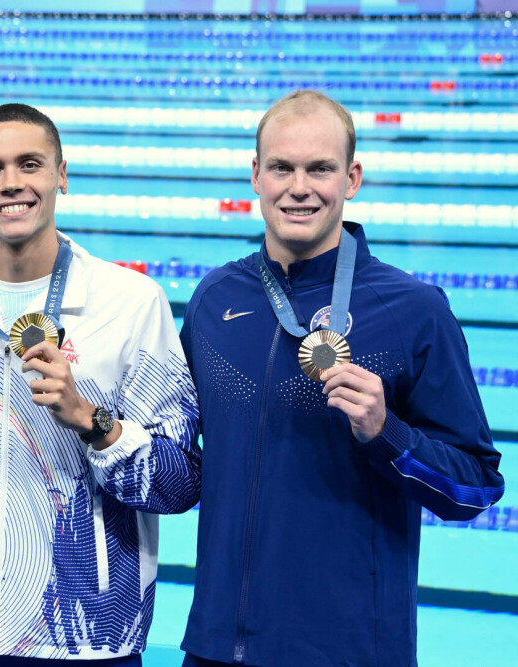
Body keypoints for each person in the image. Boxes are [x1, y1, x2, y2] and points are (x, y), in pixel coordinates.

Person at [178, 90, 505, 667]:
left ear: (351, 178)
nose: (298, 187)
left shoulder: (413, 310)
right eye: (281, 167)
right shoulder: (214, 301)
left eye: (319, 169)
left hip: (349, 650)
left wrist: (387, 432)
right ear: (256, 175)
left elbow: (475, 487)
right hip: (215, 647)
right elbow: (181, 461)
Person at [0, 103, 202, 663]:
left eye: (29, 164)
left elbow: (181, 484)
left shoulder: (129, 303)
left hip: (89, 638)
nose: (11, 183)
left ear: (61, 174)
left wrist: (92, 420)